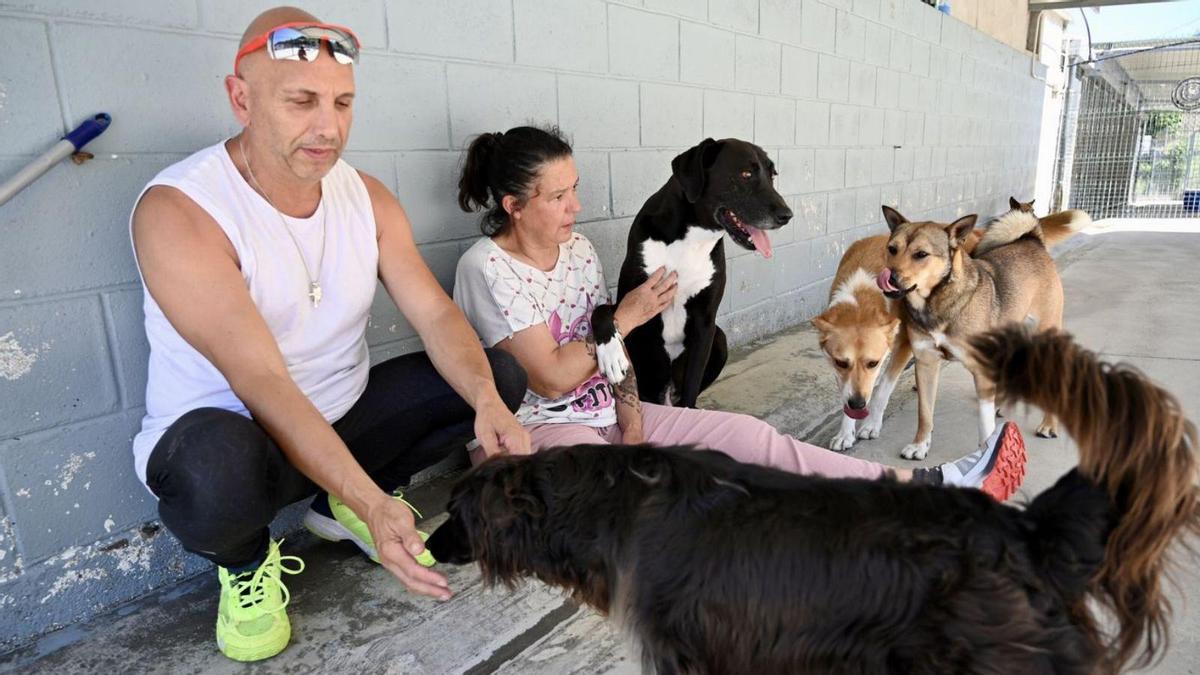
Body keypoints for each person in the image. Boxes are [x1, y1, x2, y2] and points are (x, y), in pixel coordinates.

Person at [129, 7, 530, 662]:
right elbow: (260, 380)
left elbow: (434, 313)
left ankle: (334, 504)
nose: (328, 127)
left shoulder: (366, 196)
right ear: (241, 98)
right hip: (238, 444)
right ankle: (246, 562)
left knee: (498, 376)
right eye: (302, 101)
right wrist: (372, 503)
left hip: (342, 418)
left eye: (343, 102)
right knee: (212, 468)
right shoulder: (181, 208)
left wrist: (487, 401)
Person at [452, 125, 1028, 495]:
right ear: (514, 206)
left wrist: (633, 419)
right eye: (559, 197)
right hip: (533, 435)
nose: (576, 206)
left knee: (750, 437)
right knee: (645, 500)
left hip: (604, 413)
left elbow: (611, 352)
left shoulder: (576, 250)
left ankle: (928, 486)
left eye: (574, 188)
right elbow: (552, 378)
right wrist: (628, 315)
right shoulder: (487, 268)